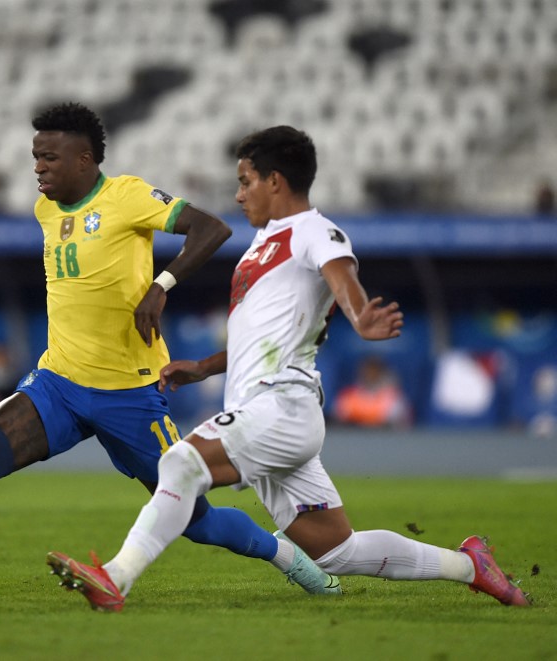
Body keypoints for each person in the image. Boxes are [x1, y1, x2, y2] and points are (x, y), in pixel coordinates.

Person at [0, 103, 336, 600]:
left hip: (131, 394)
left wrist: (161, 284)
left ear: (85, 159)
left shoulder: (128, 196)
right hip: (58, 384)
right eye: (35, 157)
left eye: (49, 156)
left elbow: (212, 229)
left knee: (197, 522)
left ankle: (285, 555)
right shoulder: (45, 208)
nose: (38, 167)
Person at [45, 126, 532, 611]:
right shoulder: (262, 246)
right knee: (336, 550)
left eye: (245, 181)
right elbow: (265, 337)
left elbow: (341, 273)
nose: (238, 195)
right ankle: (471, 566)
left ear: (274, 181)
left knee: (180, 462)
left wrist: (361, 317)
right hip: (265, 409)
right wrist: (205, 367)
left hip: (281, 406)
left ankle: (116, 577)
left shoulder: (314, 230)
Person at [331, 354, 411, 428]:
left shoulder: (394, 397)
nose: (369, 374)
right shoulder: (348, 396)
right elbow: (339, 415)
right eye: (367, 371)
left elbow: (397, 420)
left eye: (374, 371)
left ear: (381, 373)